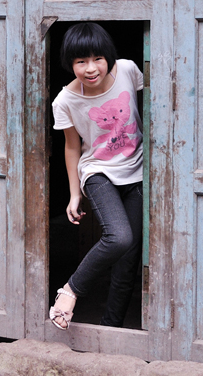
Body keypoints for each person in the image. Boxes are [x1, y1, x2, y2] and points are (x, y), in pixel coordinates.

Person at [49, 22, 144, 329]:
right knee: (119, 237)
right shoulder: (65, 101)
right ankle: (70, 291)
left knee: (127, 262)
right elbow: (72, 147)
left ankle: (110, 328)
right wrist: (74, 193)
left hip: (137, 170)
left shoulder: (128, 70)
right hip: (97, 171)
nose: (91, 68)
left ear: (108, 57)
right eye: (81, 61)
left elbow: (152, 109)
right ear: (70, 63)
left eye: (97, 59)